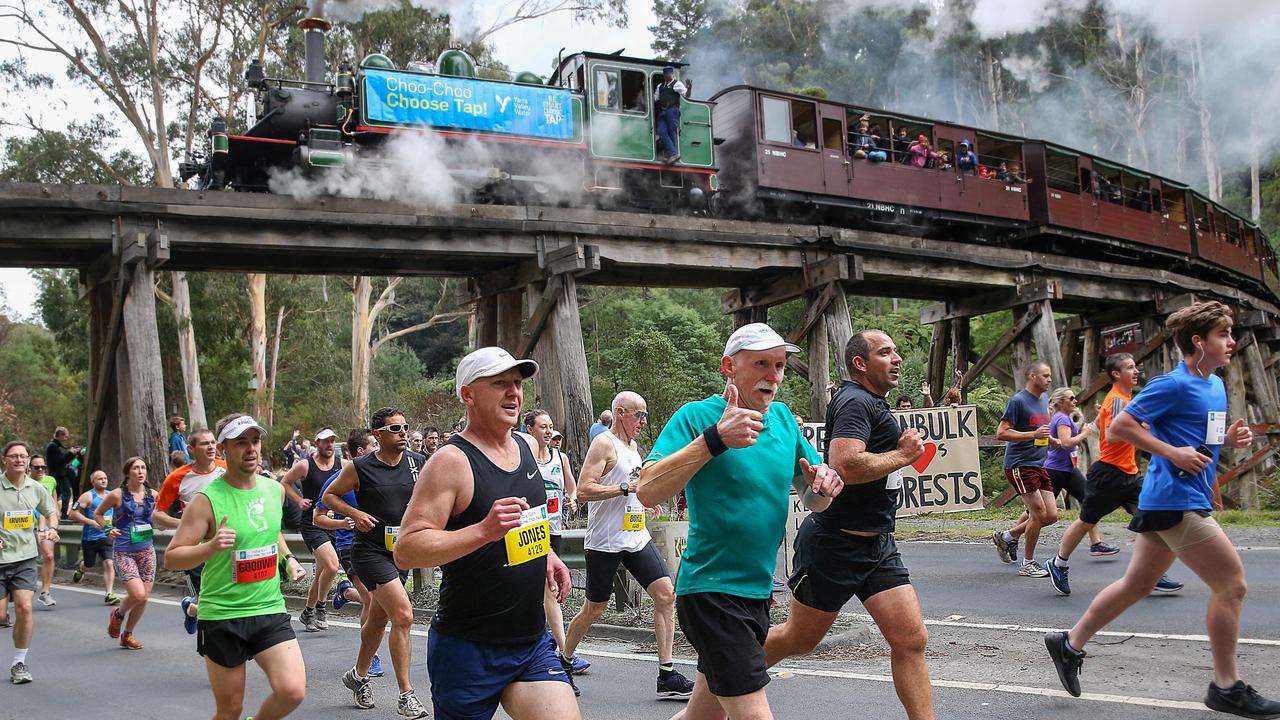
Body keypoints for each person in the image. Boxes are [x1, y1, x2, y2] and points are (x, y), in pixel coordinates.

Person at [1045, 301, 1280, 718]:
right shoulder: (1173, 383)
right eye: (1222, 335)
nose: (1231, 342)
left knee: (1136, 585)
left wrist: (1228, 441)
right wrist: (1172, 452)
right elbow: (1121, 428)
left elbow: (1201, 436)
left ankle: (1069, 643)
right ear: (1197, 341)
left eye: (1230, 334)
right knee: (1233, 585)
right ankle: (1227, 686)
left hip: (1175, 498)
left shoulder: (1214, 384)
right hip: (1176, 499)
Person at [637, 323, 844, 720]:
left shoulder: (783, 419)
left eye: (780, 365)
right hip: (712, 592)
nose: (774, 375)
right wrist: (714, 439)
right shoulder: (697, 416)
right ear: (728, 366)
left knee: (702, 716)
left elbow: (813, 499)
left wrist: (826, 483)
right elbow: (647, 490)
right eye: (762, 364)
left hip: (757, 594)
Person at [395, 346, 580, 720]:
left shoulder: (526, 446)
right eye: (500, 383)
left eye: (517, 383)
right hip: (467, 647)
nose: (513, 392)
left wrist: (546, 554)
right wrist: (482, 531)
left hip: (530, 643)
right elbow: (407, 549)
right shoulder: (451, 461)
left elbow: (524, 519)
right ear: (468, 395)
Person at [766, 330, 934, 719]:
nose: (897, 360)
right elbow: (845, 464)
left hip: (878, 546)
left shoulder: (874, 402)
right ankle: (723, 678)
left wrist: (898, 455)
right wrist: (903, 454)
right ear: (860, 363)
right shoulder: (857, 401)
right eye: (885, 352)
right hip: (835, 546)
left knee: (911, 639)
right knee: (799, 639)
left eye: (896, 351)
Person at [164, 413, 308, 720]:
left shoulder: (274, 490)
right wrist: (210, 546)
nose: (251, 449)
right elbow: (173, 556)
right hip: (223, 615)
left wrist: (289, 558)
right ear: (222, 449)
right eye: (241, 442)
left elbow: (271, 532)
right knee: (230, 710)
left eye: (254, 441)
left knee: (292, 691)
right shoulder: (207, 500)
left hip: (268, 607)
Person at [559, 392, 694, 699]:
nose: (643, 423)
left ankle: (667, 673)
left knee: (666, 594)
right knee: (595, 608)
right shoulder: (604, 443)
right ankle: (564, 663)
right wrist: (625, 488)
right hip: (605, 542)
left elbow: (635, 487)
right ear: (620, 413)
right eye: (639, 415)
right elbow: (583, 489)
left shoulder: (633, 448)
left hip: (635, 538)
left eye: (645, 416)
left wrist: (643, 502)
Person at [1045, 354, 1184, 596]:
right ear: (1116, 375)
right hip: (1109, 474)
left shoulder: (1124, 398)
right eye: (1130, 367)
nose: (1136, 371)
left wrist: (1141, 426)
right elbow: (1112, 435)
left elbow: (1120, 424)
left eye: (1135, 366)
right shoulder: (1118, 398)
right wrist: (1143, 431)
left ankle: (1152, 573)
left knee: (1151, 517)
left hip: (1129, 474)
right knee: (1086, 521)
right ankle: (1058, 563)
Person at [322, 407, 430, 718]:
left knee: (379, 621)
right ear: (378, 435)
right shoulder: (361, 467)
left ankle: (357, 676)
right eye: (396, 429)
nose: (403, 433)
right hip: (370, 552)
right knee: (405, 615)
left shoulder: (417, 462)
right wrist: (355, 515)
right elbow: (330, 496)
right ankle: (406, 695)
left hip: (402, 552)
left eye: (405, 427)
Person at [315, 428, 385, 677]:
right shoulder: (340, 480)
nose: (379, 448)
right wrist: (342, 523)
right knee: (370, 599)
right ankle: (371, 657)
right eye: (374, 444)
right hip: (350, 545)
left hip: (380, 546)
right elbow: (318, 518)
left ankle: (344, 591)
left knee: (379, 601)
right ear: (360, 451)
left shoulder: (383, 474)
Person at [524, 409, 587, 675]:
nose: (549, 432)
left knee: (546, 591)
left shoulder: (559, 458)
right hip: (530, 531)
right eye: (543, 427)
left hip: (554, 530)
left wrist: (570, 498)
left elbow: (571, 486)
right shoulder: (523, 457)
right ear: (529, 430)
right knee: (544, 590)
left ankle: (550, 646)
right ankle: (563, 649)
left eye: (551, 427)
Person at [154, 428, 227, 633]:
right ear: (191, 449)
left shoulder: (226, 469)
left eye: (213, 442)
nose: (211, 447)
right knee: (207, 594)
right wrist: (185, 525)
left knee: (213, 594)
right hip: (196, 546)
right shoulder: (177, 477)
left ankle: (191, 609)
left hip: (226, 541)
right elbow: (157, 514)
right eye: (204, 444)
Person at [1, 440, 59, 684]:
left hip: (25, 557)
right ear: (4, 460)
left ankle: (19, 663)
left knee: (25, 608)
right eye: (13, 456)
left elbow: (51, 510)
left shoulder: (36, 488)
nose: (19, 459)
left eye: (23, 456)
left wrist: (53, 528)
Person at [992, 362, 1058, 577]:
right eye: (1045, 376)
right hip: (1020, 464)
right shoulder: (1018, 401)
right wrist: (1032, 436)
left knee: (1051, 516)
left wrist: (1053, 440)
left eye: (1050, 376)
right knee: (1038, 514)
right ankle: (1028, 563)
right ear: (1032, 376)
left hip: (1039, 463)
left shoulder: (1044, 400)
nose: (1049, 380)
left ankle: (1008, 536)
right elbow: (1001, 433)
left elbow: (1040, 430)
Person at [280, 427, 347, 633]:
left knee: (322, 573)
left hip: (334, 523)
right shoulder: (305, 465)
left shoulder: (343, 465)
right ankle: (321, 607)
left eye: (332, 441)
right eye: (325, 441)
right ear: (317, 443)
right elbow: (285, 483)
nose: (329, 445)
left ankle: (307, 612)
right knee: (332, 566)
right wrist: (299, 500)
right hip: (312, 523)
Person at [96, 456, 156, 649]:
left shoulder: (153, 495)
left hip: (146, 550)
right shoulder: (117, 495)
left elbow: (159, 516)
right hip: (124, 551)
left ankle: (127, 635)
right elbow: (98, 514)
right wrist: (107, 529)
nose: (140, 471)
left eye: (143, 468)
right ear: (128, 472)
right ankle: (118, 614)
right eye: (136, 468)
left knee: (144, 597)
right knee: (137, 594)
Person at [68, 469, 119, 605]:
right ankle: (81, 569)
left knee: (109, 562)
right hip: (90, 537)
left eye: (105, 478)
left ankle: (109, 594)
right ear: (93, 482)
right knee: (89, 564)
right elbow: (72, 513)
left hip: (106, 535)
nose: (103, 480)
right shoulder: (87, 496)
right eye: (100, 478)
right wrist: (90, 521)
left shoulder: (111, 495)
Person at [26, 455, 57, 607]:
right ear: (29, 468)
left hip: (44, 526)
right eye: (36, 467)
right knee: (25, 559)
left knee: (49, 556)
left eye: (43, 467)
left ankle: (45, 592)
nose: (40, 470)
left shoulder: (50, 481)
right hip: (25, 526)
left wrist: (54, 525)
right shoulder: (23, 482)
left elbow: (53, 501)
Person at [654, 66, 687, 163]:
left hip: (673, 110)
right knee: (662, 132)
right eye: (665, 75)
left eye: (669, 75)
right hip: (663, 111)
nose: (667, 77)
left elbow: (686, 94)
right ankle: (673, 153)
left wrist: (689, 88)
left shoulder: (677, 84)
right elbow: (655, 98)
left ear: (672, 75)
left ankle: (674, 154)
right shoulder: (660, 86)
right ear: (664, 76)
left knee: (672, 131)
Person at [45, 426, 79, 520]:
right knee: (66, 492)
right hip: (58, 474)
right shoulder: (53, 446)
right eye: (65, 436)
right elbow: (60, 461)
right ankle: (64, 514)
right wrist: (71, 453)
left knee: (56, 494)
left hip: (55, 473)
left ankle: (53, 513)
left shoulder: (55, 445)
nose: (66, 438)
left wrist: (71, 453)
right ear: (60, 435)